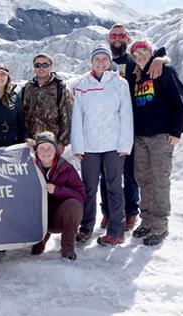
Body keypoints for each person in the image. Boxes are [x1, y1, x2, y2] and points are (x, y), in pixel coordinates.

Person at [99, 24, 170, 231]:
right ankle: (108, 211)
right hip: (108, 127)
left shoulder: (134, 62)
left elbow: (155, 58)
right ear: (109, 39)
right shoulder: (104, 62)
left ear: (127, 38)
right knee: (107, 172)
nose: (118, 38)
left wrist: (160, 58)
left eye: (122, 35)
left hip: (131, 126)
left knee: (131, 173)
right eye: (114, 35)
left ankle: (131, 213)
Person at [71, 44, 134, 246]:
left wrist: (125, 144)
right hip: (89, 146)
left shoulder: (119, 83)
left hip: (113, 145)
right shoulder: (82, 84)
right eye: (96, 59)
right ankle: (86, 227)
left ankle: (116, 231)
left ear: (110, 62)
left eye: (104, 59)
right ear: (91, 62)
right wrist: (78, 147)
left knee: (114, 187)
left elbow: (126, 116)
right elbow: (77, 118)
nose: (100, 63)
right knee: (88, 188)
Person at [129, 39, 183, 246]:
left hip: (161, 137)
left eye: (144, 52)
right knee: (143, 179)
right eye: (137, 53)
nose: (141, 55)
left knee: (160, 180)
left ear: (150, 53)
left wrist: (176, 131)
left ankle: (160, 225)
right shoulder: (136, 75)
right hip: (140, 137)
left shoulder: (164, 71)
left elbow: (180, 101)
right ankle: (146, 221)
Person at [31, 132, 85, 260]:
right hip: (37, 218)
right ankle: (39, 240)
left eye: (49, 147)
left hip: (57, 217)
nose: (45, 151)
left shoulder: (66, 168)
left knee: (74, 206)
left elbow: (81, 196)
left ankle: (67, 248)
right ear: (36, 150)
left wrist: (58, 190)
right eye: (41, 148)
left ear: (55, 149)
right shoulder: (29, 166)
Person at [21, 53, 74, 154]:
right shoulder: (28, 88)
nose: (41, 68)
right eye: (37, 65)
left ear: (51, 66)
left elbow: (67, 117)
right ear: (34, 68)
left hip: (53, 142)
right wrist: (26, 137)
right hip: (33, 143)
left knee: (53, 169)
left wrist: (62, 142)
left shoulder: (60, 88)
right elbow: (23, 115)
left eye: (45, 65)